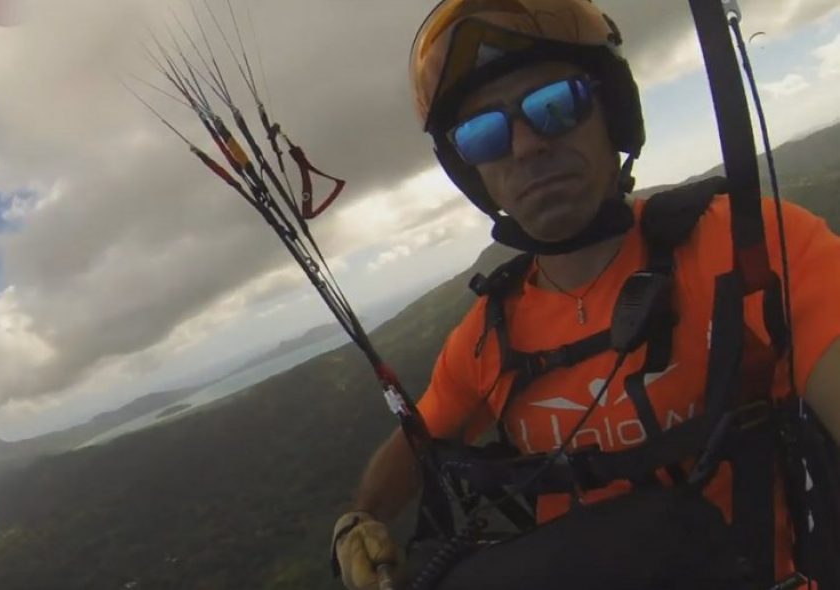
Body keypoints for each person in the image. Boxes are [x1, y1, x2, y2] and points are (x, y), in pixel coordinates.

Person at [330, 0, 840, 588]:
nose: (524, 147)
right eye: (484, 133)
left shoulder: (749, 246)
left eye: (555, 105)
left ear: (613, 112)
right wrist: (359, 517)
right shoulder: (487, 337)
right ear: (472, 171)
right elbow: (419, 442)